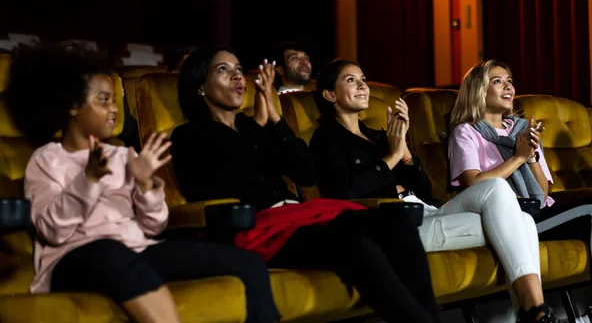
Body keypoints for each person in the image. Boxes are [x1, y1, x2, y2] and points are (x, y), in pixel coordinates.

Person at [5, 46, 280, 323]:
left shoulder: (124, 156)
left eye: (114, 100)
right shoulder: (48, 159)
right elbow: (52, 231)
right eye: (103, 101)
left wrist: (146, 184)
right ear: (73, 106)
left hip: (136, 252)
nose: (114, 110)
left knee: (248, 263)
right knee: (109, 250)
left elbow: (155, 227)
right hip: (72, 260)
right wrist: (87, 180)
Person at [170, 45, 441, 323]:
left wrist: (274, 118)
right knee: (355, 245)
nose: (238, 77)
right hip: (257, 229)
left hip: (297, 217)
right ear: (200, 86)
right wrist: (258, 126)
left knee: (395, 221)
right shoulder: (188, 136)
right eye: (223, 70)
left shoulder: (255, 126)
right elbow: (216, 186)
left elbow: (306, 173)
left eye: (239, 70)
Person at [309, 58, 561, 323]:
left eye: (363, 79)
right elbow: (346, 191)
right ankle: (535, 310)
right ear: (329, 94)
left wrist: (403, 147)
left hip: (428, 211)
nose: (362, 86)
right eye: (351, 80)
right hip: (397, 227)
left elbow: (423, 187)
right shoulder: (326, 138)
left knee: (520, 217)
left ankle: (530, 312)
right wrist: (393, 156)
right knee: (504, 199)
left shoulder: (379, 136)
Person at [449, 59, 592, 323]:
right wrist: (518, 158)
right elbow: (474, 185)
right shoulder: (466, 133)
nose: (508, 87)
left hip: (542, 211)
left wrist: (531, 158)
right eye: (497, 81)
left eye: (509, 81)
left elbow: (542, 194)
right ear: (478, 90)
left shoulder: (522, 130)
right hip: (513, 219)